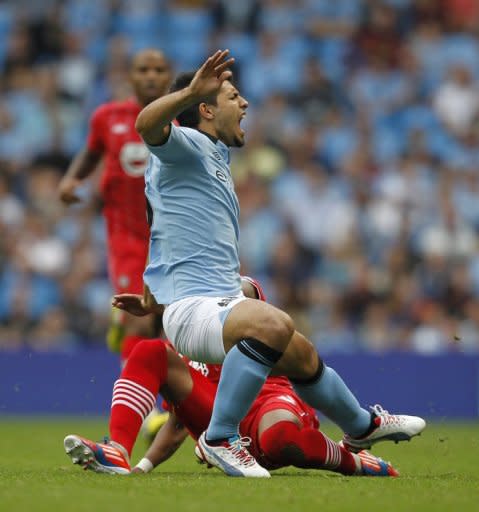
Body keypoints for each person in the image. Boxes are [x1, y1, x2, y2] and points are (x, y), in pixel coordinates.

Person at [133, 49, 425, 477]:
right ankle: (220, 437)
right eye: (233, 96)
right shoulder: (187, 144)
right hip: (196, 309)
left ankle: (362, 426)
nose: (245, 103)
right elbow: (146, 126)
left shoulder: (211, 154)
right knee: (272, 324)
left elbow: (156, 215)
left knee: (303, 356)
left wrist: (150, 290)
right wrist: (191, 91)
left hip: (213, 300)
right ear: (207, 109)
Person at [64, 277, 398, 478]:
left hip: (268, 401)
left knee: (282, 439)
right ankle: (117, 450)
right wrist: (142, 467)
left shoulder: (238, 290)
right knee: (149, 352)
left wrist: (171, 298)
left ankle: (356, 461)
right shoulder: (184, 335)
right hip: (217, 421)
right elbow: (179, 421)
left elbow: (247, 292)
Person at [57, 48, 172, 361]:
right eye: (143, 70)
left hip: (170, 238)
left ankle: (121, 324)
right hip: (127, 237)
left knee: (168, 324)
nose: (151, 76)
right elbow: (91, 152)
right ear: (130, 76)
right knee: (142, 318)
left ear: (168, 77)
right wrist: (71, 179)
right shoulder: (108, 117)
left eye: (158, 70)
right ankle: (139, 406)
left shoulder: (180, 122)